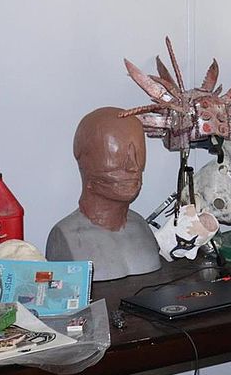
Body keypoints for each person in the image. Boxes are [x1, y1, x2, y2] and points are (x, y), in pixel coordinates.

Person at [46, 107, 161, 281]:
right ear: (84, 161)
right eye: (115, 156)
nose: (133, 167)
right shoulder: (64, 237)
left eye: (139, 154)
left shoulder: (141, 228)